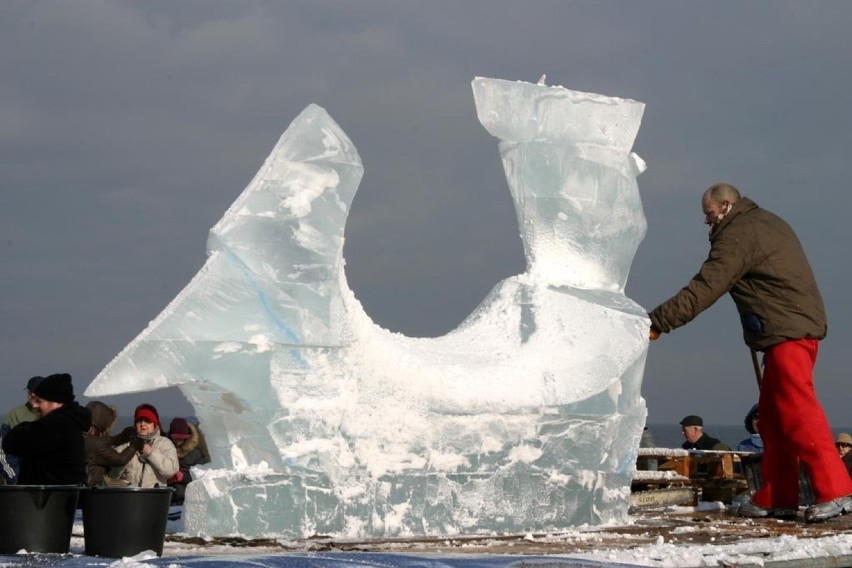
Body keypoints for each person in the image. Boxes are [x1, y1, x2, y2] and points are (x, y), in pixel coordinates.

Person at [649, 182, 852, 522]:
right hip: (789, 328)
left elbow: (706, 286)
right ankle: (778, 495)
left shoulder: (739, 233)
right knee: (773, 418)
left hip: (788, 332)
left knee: (798, 408)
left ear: (726, 206)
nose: (706, 222)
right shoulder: (764, 222)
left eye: (708, 214)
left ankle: (837, 490)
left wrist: (657, 322)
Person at [1, 373, 91, 485]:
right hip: (62, 496)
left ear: (56, 402)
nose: (34, 406)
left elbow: (12, 442)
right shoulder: (71, 423)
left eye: (39, 401)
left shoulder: (56, 426)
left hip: (48, 499)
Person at [113, 403, 178, 487]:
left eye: (147, 421)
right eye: (139, 421)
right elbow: (111, 473)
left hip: (154, 496)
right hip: (129, 497)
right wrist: (127, 453)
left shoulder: (164, 443)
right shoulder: (126, 445)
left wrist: (150, 453)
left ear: (154, 424)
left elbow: (171, 470)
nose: (143, 424)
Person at [84, 401, 144, 486]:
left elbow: (97, 442)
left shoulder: (81, 435)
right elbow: (120, 459)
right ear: (101, 422)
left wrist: (118, 438)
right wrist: (134, 446)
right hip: (92, 490)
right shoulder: (96, 445)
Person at [1, 376, 44, 483]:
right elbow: (3, 453)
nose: (31, 395)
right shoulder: (13, 415)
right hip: (19, 482)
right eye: (30, 391)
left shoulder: (54, 416)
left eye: (35, 391)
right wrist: (15, 480)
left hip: (48, 483)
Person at [166, 417, 211, 503]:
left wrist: (183, 476)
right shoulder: (163, 450)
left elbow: (202, 477)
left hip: (186, 500)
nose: (179, 441)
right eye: (176, 437)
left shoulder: (196, 454)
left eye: (181, 438)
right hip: (166, 498)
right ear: (170, 435)